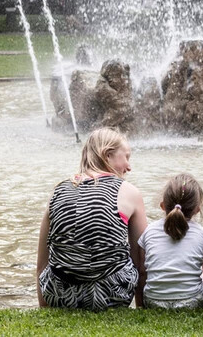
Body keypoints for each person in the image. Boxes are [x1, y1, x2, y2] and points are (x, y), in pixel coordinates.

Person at [36, 127, 147, 310]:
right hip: (111, 296)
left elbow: (42, 264)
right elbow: (141, 262)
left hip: (61, 296)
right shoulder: (129, 191)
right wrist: (142, 307)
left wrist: (45, 306)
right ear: (107, 155)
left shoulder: (58, 191)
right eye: (126, 157)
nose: (129, 166)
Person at [137, 173, 203, 309]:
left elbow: (142, 272)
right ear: (197, 209)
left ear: (163, 205)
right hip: (191, 302)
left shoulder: (148, 232)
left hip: (154, 301)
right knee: (201, 276)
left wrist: (140, 304)